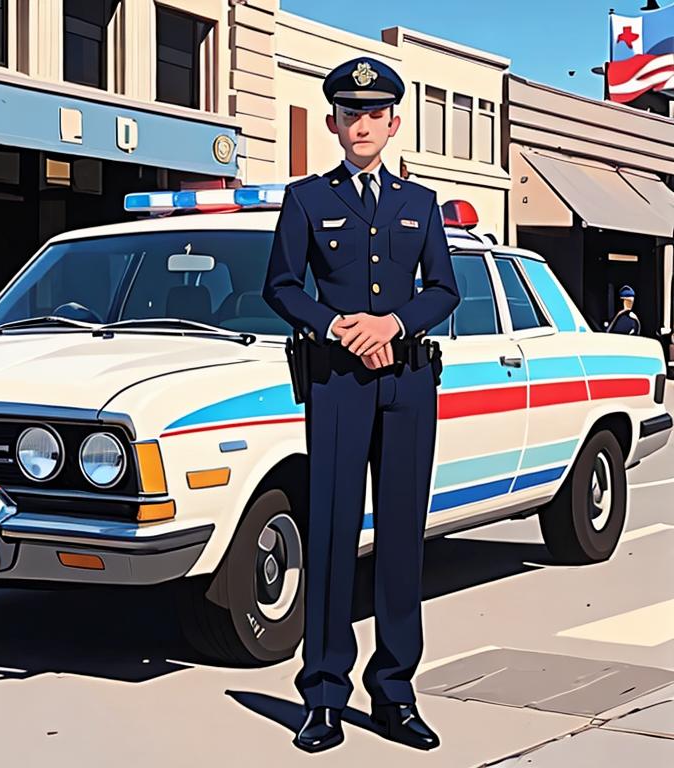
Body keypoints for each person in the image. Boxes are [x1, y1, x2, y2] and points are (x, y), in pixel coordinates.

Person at [261, 57, 460, 753]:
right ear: (332, 123)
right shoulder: (308, 199)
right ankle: (322, 695)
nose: (363, 125)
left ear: (394, 123)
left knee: (403, 540)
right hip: (337, 385)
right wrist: (336, 326)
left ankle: (396, 694)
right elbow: (281, 286)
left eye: (376, 114)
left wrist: (392, 326)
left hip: (406, 384)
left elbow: (443, 290)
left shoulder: (420, 203)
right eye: (351, 114)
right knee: (333, 535)